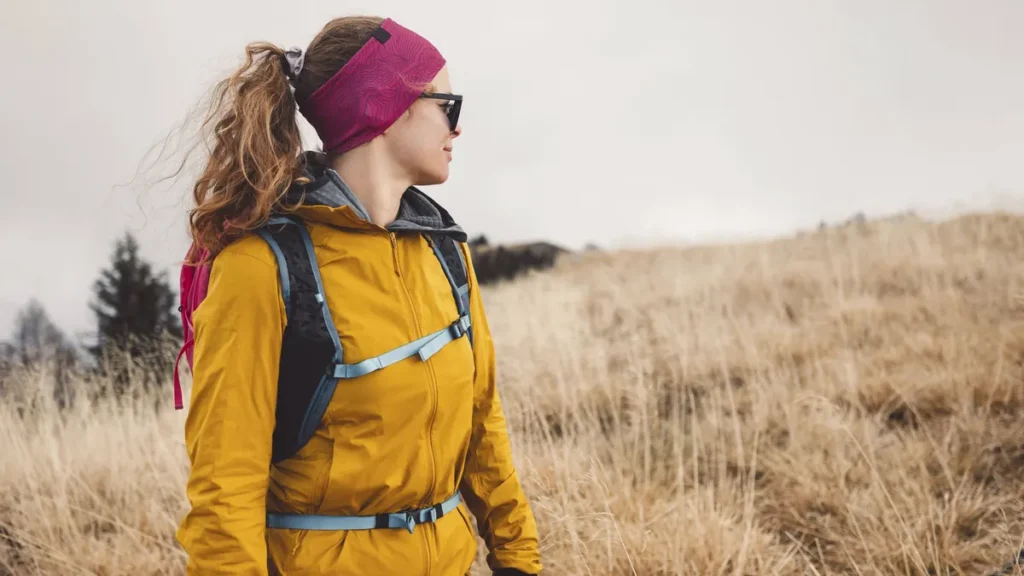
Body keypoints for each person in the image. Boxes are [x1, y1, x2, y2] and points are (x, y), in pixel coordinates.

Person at [173, 15, 542, 576]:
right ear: (384, 106)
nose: (457, 127)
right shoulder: (261, 270)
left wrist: (519, 558)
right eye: (449, 104)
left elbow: (482, 423)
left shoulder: (446, 254)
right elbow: (225, 490)